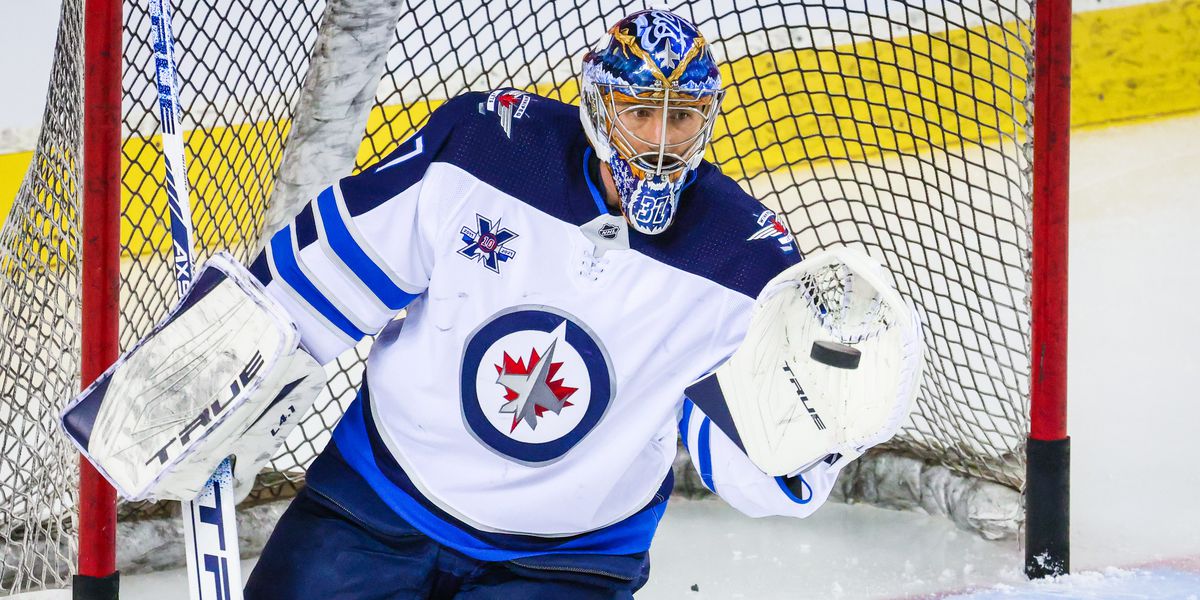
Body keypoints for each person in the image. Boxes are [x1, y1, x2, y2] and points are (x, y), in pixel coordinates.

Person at [243, 9, 846, 599]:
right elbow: (319, 277)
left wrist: (836, 427)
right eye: (640, 112)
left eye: (683, 117)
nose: (662, 143)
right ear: (599, 107)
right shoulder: (485, 148)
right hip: (379, 501)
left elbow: (762, 466)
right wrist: (220, 368)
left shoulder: (744, 262)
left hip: (569, 562)